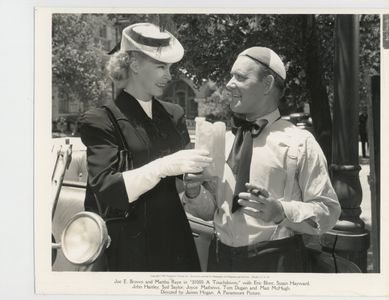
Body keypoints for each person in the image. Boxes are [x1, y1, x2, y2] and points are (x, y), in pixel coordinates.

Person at [183, 47, 341, 272]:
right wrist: (194, 192)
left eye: (240, 77)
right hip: (221, 261)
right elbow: (211, 211)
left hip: (277, 263)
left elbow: (328, 212)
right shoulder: (225, 140)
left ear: (267, 84)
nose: (228, 84)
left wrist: (281, 211)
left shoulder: (300, 142)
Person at [78, 23, 212, 272]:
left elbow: (187, 189)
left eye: (170, 67)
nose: (169, 75)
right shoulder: (101, 120)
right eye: (161, 66)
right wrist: (163, 166)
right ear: (135, 65)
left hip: (175, 244)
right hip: (129, 249)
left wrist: (194, 188)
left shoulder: (174, 115)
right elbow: (108, 190)